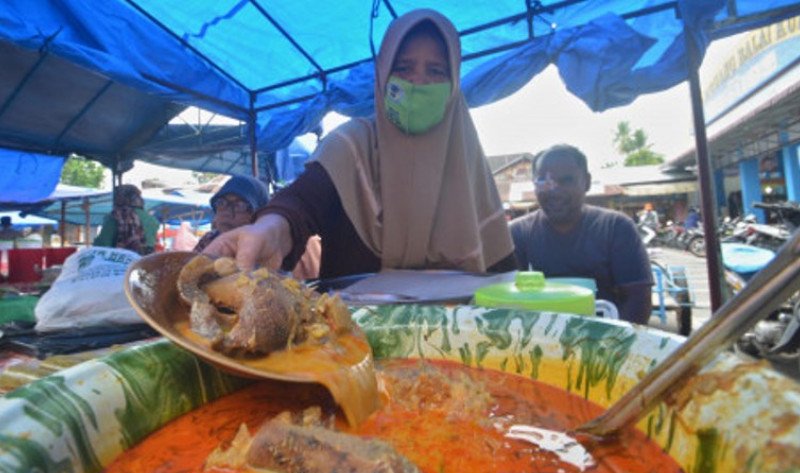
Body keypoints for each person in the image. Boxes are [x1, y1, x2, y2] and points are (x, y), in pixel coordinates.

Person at [205, 9, 516, 277]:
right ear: (382, 75)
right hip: (351, 343)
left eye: (435, 71)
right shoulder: (351, 146)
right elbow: (300, 203)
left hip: (453, 344)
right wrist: (267, 229)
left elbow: (502, 270)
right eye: (403, 68)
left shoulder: (467, 164)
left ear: (453, 85)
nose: (418, 83)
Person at [509, 144, 652, 324]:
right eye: (544, 181)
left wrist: (610, 345)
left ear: (587, 182)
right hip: (540, 342)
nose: (555, 191)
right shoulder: (517, 234)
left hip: (604, 340)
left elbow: (638, 301)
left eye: (566, 180)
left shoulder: (616, 228)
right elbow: (508, 301)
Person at [193, 175, 270, 253]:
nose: (227, 213)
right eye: (221, 203)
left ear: (259, 215)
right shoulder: (209, 240)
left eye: (240, 205)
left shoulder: (266, 252)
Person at [93, 184, 159, 254]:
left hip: (121, 261)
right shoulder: (151, 219)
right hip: (146, 262)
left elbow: (102, 245)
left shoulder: (114, 217)